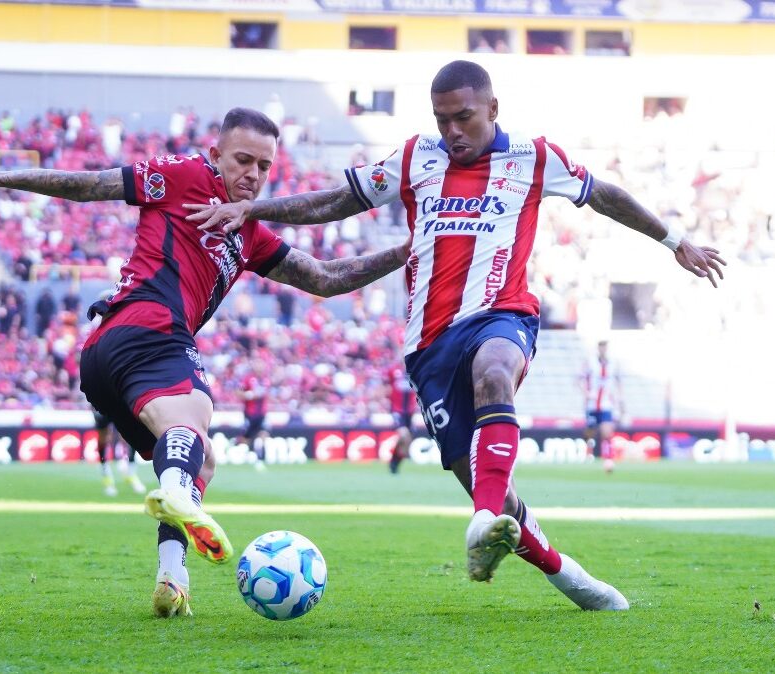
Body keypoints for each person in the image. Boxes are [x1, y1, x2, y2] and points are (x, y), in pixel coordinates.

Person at [186, 61, 726, 611]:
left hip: (502, 313)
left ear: (493, 109)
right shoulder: (415, 156)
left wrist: (674, 239)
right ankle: (568, 575)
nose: (452, 132)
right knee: (488, 486)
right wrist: (254, 207)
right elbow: (335, 202)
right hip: (428, 344)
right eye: (442, 120)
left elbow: (606, 195)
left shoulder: (536, 158)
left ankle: (485, 516)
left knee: (495, 372)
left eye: (464, 118)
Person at [0, 107, 410, 618]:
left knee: (202, 461)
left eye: (264, 167)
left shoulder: (249, 233)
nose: (253, 175)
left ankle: (172, 578)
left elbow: (325, 278)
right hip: (146, 328)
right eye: (243, 160)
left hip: (107, 358)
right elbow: (91, 185)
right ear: (215, 153)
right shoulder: (184, 176)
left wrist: (403, 253)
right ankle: (174, 492)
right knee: (195, 416)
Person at [581, 339, 624, 473]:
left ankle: (608, 459)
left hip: (606, 403)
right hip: (592, 403)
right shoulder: (590, 362)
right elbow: (580, 379)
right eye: (601, 347)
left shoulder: (613, 363)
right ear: (598, 348)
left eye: (605, 347)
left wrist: (620, 399)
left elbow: (618, 381)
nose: (603, 350)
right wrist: (586, 393)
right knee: (590, 431)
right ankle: (589, 452)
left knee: (607, 431)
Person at [94, 409, 147, 497]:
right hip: (103, 401)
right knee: (103, 438)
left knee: (128, 434)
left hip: (120, 400)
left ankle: (131, 474)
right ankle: (107, 479)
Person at [234, 356, 269, 470]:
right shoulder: (248, 379)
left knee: (263, 434)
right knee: (247, 438)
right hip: (250, 413)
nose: (260, 367)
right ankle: (234, 446)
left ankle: (260, 459)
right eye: (257, 364)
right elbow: (238, 392)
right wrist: (249, 395)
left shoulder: (266, 379)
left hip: (262, 413)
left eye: (261, 364)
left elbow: (266, 395)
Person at [387, 361, 415, 474]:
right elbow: (386, 386)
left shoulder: (414, 369)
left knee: (406, 441)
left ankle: (395, 463)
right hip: (397, 410)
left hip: (410, 411)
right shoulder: (394, 371)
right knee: (404, 435)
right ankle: (393, 463)